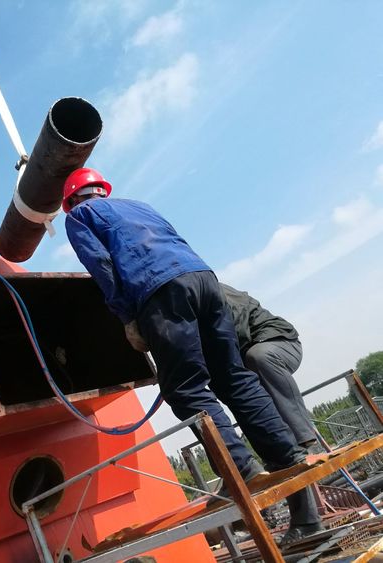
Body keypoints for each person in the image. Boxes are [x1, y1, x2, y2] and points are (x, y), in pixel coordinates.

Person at [62, 167, 321, 545]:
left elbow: (100, 264)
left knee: (185, 389)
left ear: (71, 200)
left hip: (159, 289)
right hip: (204, 278)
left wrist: (128, 316)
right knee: (233, 378)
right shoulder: (140, 206)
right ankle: (289, 463)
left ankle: (240, 468)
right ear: (103, 190)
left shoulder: (79, 217)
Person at [221, 283, 318, 450]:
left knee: (258, 357)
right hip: (249, 360)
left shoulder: (219, 296)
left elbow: (235, 336)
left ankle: (305, 438)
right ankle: (276, 452)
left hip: (279, 344)